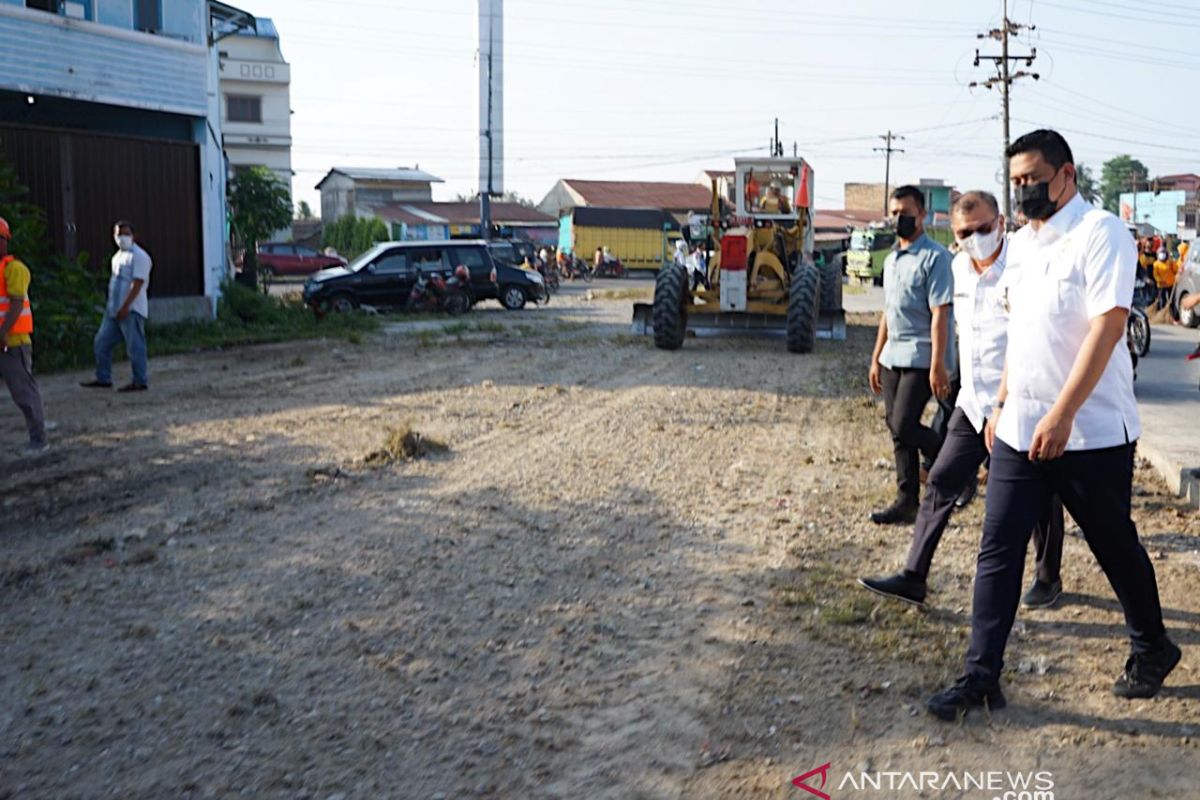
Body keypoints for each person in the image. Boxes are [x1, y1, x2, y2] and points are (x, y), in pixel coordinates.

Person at [927, 129, 1179, 722]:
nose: (1022, 190)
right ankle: (980, 676)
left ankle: (1152, 647)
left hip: (1090, 432)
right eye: (1014, 181)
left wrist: (1063, 414)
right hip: (1020, 429)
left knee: (1113, 545)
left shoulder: (1101, 234)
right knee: (998, 549)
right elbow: (1021, 333)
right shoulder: (1023, 244)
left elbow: (1108, 327)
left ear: (1066, 174)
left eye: (1032, 178)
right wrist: (1000, 404)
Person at [858, 192, 1064, 609]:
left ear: (1002, 223)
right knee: (940, 481)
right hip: (973, 403)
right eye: (964, 233)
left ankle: (1047, 575)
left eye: (984, 229)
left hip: (1021, 402)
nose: (976, 239)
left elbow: (1030, 340)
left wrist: (1005, 405)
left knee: (1039, 493)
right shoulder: (957, 268)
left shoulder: (1022, 268)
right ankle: (914, 575)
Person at [868, 185, 956, 524]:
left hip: (921, 356)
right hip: (893, 356)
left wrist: (938, 364)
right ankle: (907, 501)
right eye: (894, 213)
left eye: (905, 213)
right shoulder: (890, 261)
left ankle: (954, 467)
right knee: (896, 430)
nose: (898, 219)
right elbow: (887, 313)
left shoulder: (935, 257)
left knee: (904, 425)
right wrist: (876, 357)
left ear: (922, 215)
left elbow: (940, 314)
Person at [81, 220, 152, 392]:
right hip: (113, 309)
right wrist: (113, 307)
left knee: (135, 346)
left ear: (134, 236)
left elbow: (137, 283)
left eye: (126, 234)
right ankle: (103, 377)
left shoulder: (140, 256)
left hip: (131, 310)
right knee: (101, 342)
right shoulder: (117, 257)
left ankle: (139, 380)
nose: (122, 238)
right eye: (119, 234)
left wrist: (126, 306)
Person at [0, 216, 48, 454]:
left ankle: (39, 439)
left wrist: (2, 332)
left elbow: (17, 304)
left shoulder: (14, 269)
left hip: (13, 342)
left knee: (24, 392)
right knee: (22, 391)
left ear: (5, 241)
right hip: (6, 341)